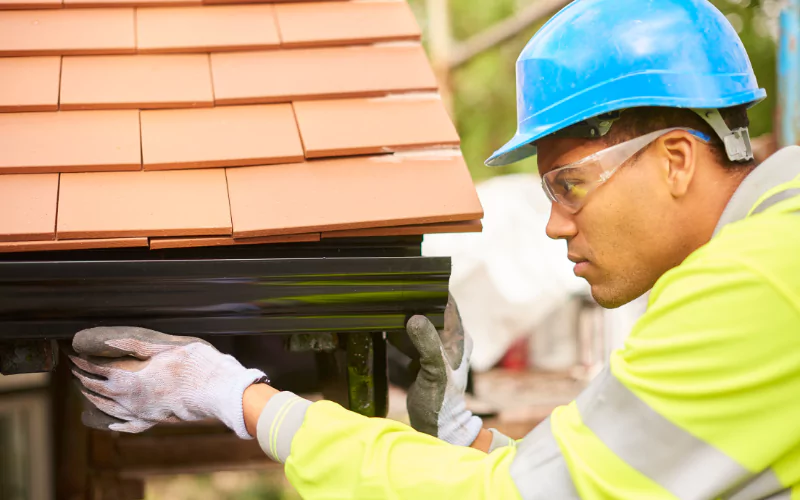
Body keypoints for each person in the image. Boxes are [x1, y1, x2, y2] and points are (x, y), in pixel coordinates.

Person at [68, 1, 800, 498]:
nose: (554, 224)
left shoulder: (755, 286)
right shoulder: (772, 253)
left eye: (570, 185)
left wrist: (238, 398)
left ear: (676, 159)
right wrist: (462, 432)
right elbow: (578, 480)